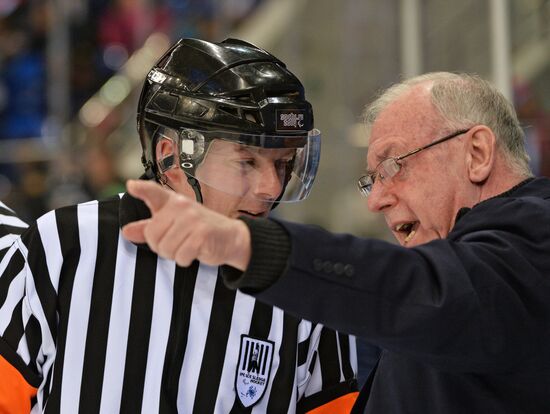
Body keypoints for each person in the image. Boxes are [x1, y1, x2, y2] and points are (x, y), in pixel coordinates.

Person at [122, 72, 550, 413]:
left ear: (476, 153)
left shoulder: (536, 237)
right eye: (372, 179)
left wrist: (250, 246)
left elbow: (425, 290)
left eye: (392, 166)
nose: (377, 200)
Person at [0, 38, 358, 413]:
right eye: (247, 162)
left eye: (283, 164)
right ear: (170, 157)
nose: (271, 187)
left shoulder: (306, 286)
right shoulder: (64, 246)